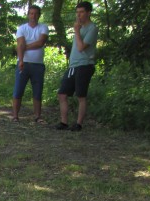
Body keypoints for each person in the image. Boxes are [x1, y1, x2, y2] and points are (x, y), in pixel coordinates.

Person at [56, 1, 98, 132]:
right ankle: (64, 122)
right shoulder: (79, 28)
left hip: (85, 65)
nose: (79, 15)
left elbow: (81, 47)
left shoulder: (92, 28)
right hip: (73, 66)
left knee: (81, 95)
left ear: (88, 13)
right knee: (62, 94)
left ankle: (79, 124)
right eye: (77, 12)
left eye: (82, 12)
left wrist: (77, 32)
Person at [11, 5, 49, 123]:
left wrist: (25, 47)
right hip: (24, 63)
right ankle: (15, 116)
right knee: (18, 90)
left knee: (37, 91)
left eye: (36, 14)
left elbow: (40, 43)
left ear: (39, 15)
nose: (33, 16)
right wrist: (21, 60)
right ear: (28, 15)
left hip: (38, 65)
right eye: (31, 13)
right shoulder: (22, 28)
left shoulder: (43, 27)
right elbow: (20, 44)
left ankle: (37, 116)